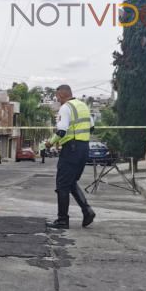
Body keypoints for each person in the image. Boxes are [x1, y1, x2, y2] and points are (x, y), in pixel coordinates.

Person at [45, 85, 96, 229]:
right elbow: (92, 127)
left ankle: (62, 220)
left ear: (61, 95)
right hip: (84, 148)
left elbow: (61, 131)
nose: (57, 99)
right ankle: (87, 211)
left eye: (57, 97)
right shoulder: (83, 106)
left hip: (71, 149)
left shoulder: (66, 108)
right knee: (71, 182)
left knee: (62, 184)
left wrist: (50, 142)